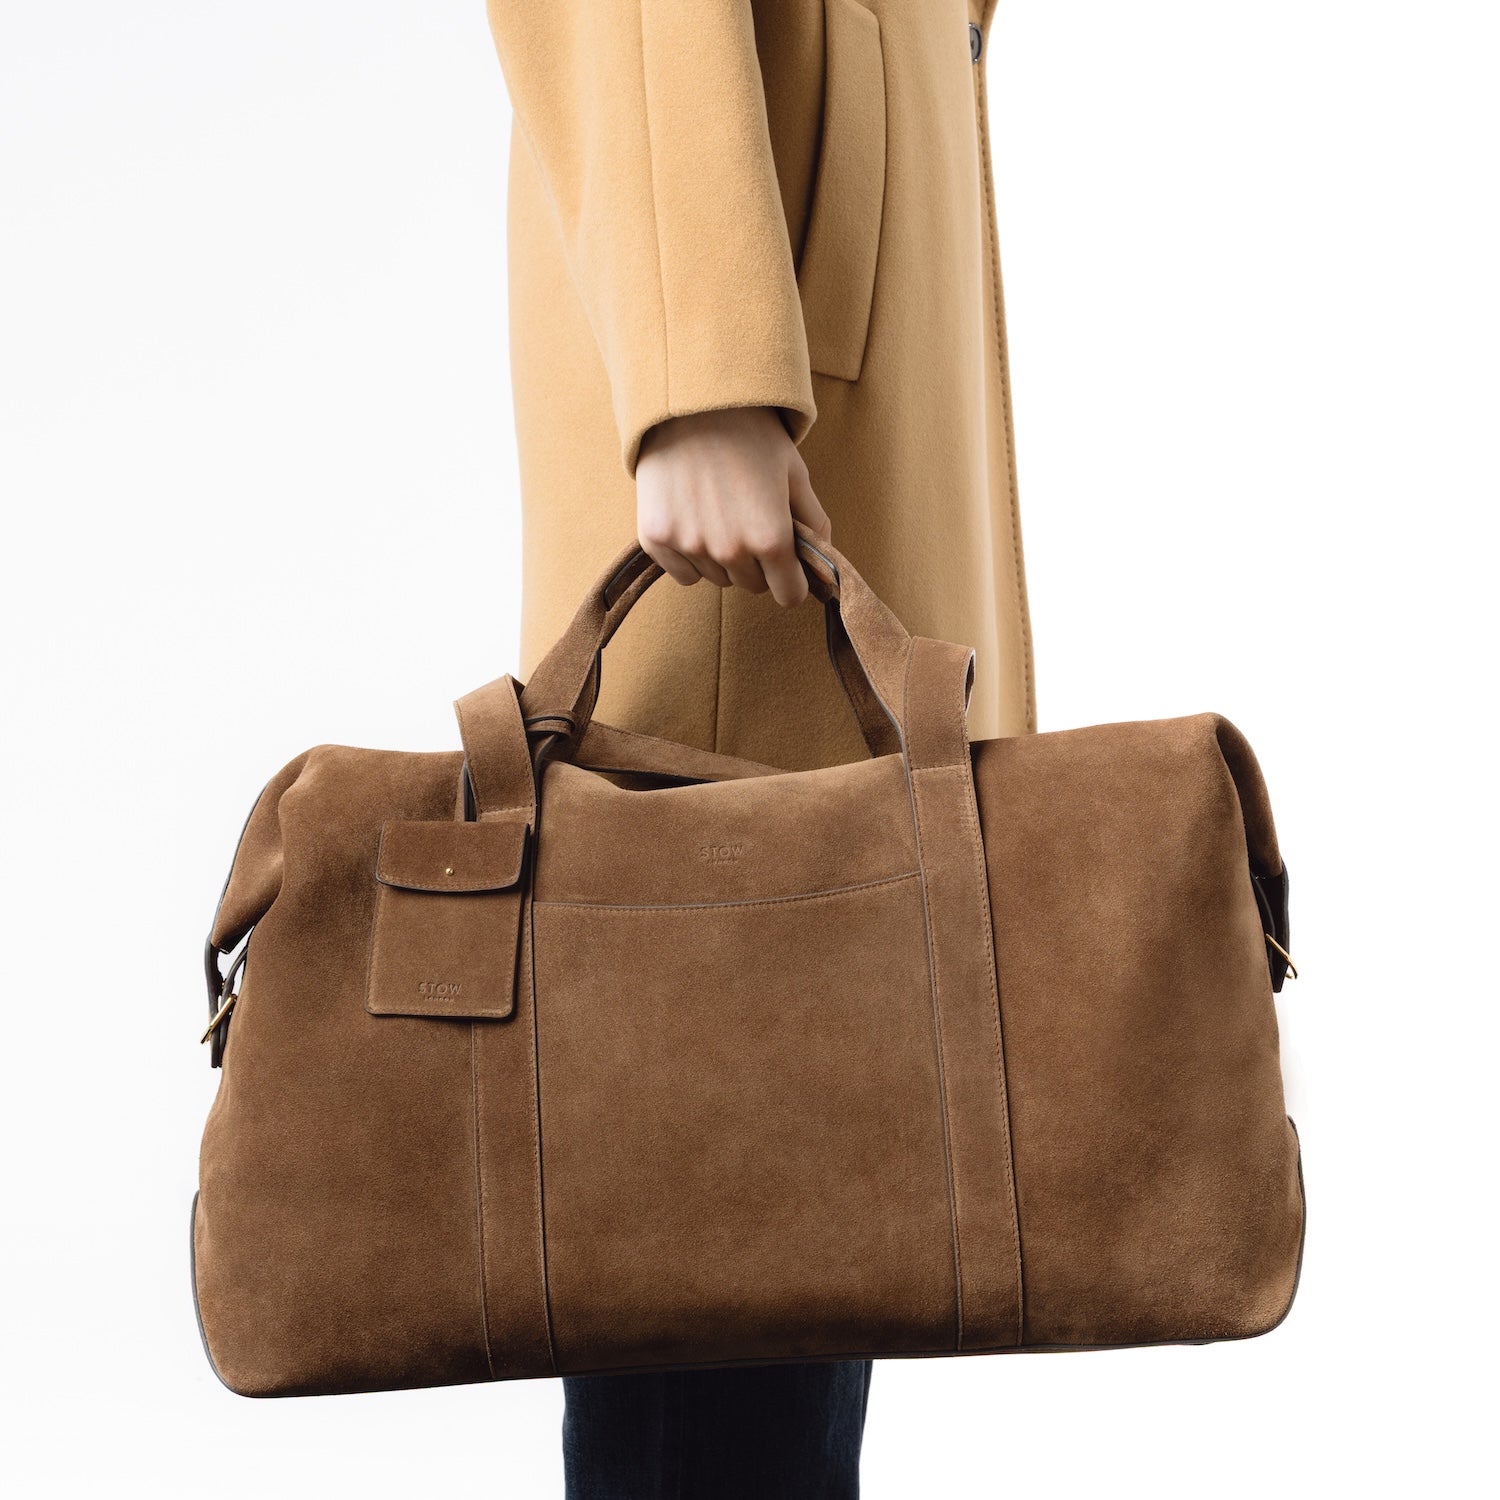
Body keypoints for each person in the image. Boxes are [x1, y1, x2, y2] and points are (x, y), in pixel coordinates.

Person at [484, 2, 1037, 1493]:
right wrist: (698, 357)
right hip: (753, 293)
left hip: (831, 225)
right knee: (717, 1149)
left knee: (804, 1197)